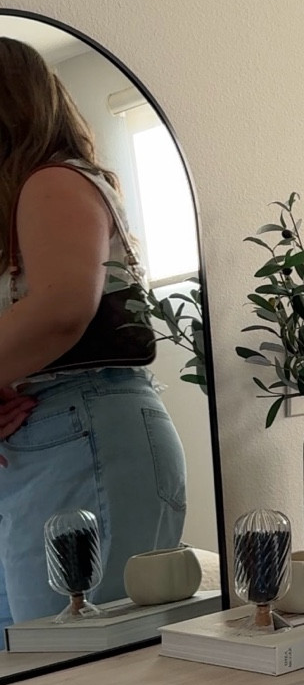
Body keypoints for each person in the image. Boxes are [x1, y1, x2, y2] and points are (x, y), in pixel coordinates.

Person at [0, 39, 186, 630]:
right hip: (57, 432)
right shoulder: (41, 192)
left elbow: (61, 310)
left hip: (78, 427)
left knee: (69, 661)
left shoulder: (52, 182)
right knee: (45, 660)